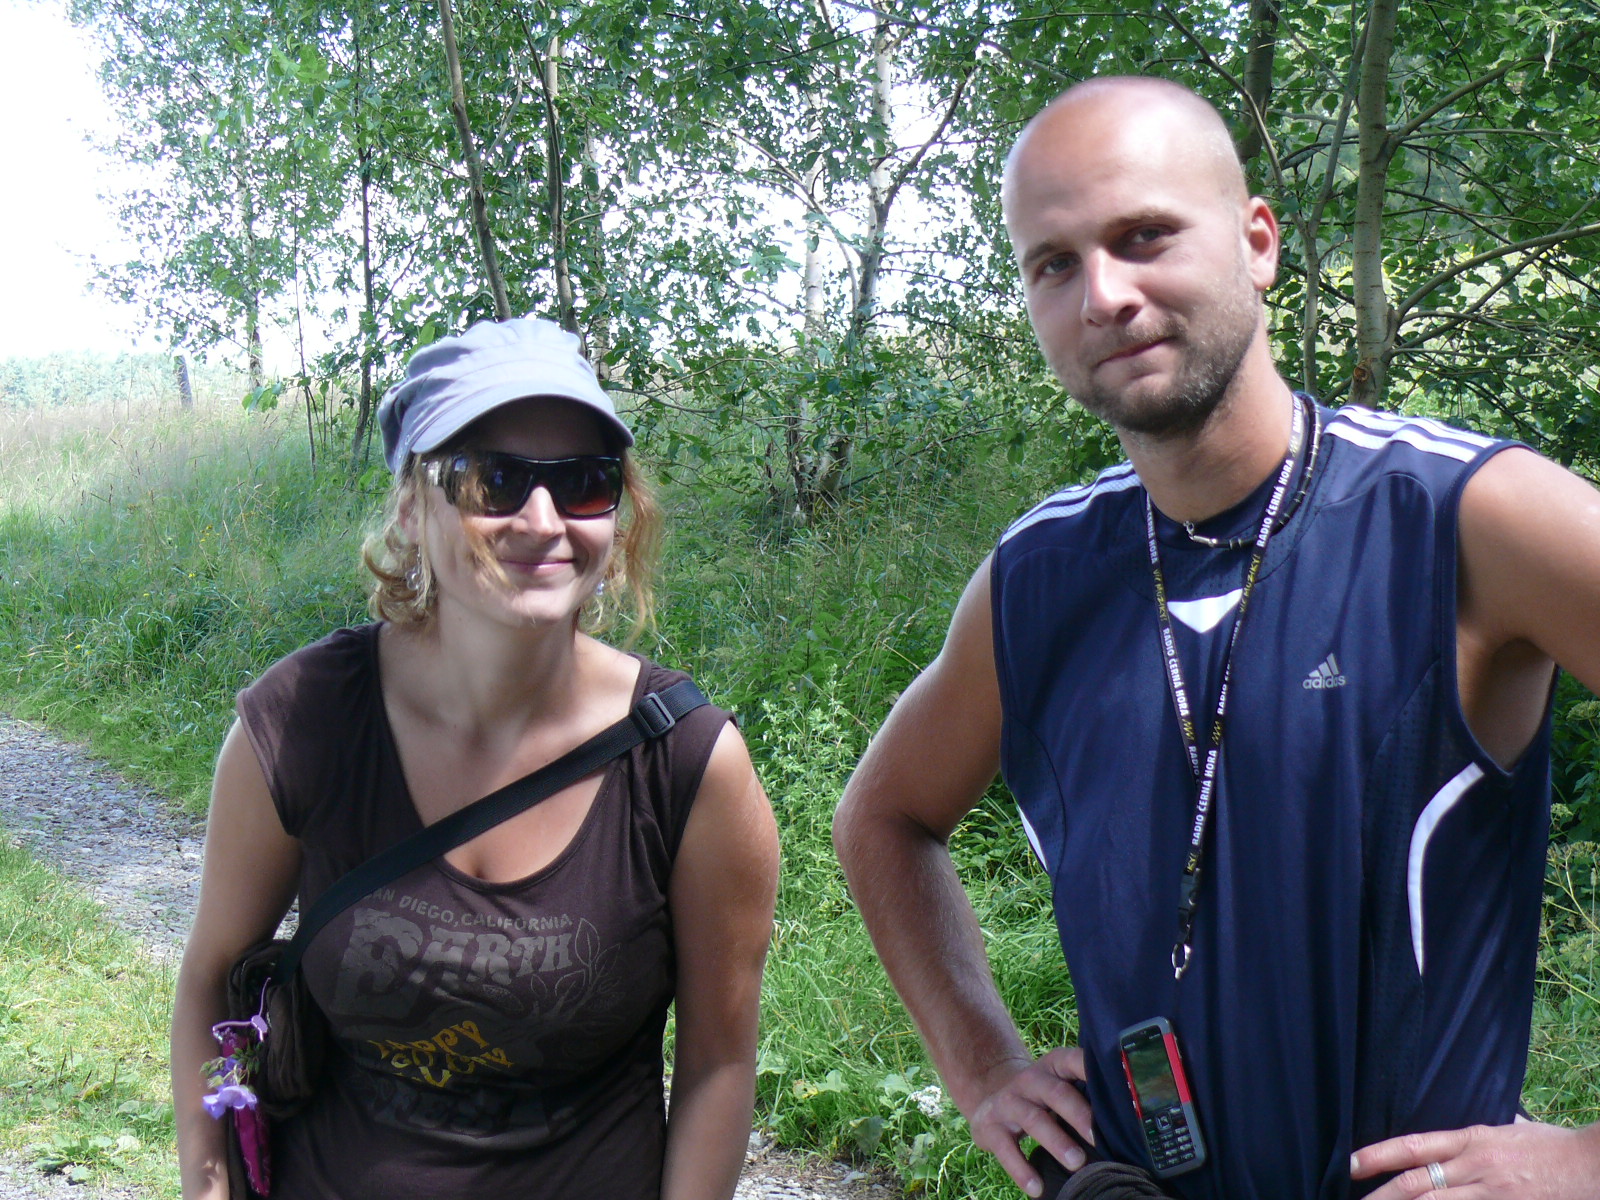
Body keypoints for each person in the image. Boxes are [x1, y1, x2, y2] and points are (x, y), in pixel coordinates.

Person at [832, 76, 1600, 1200]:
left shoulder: (1458, 517)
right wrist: (983, 1064)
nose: (1105, 295)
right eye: (1054, 264)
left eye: (1144, 236)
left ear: (1257, 242)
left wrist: (1586, 1162)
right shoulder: (1035, 581)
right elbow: (884, 818)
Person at [171, 317, 779, 1200]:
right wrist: (208, 1185)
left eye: (584, 482)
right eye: (493, 480)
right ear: (412, 508)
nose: (543, 520)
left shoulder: (686, 765)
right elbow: (209, 980)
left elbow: (719, 1064)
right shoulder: (305, 722)